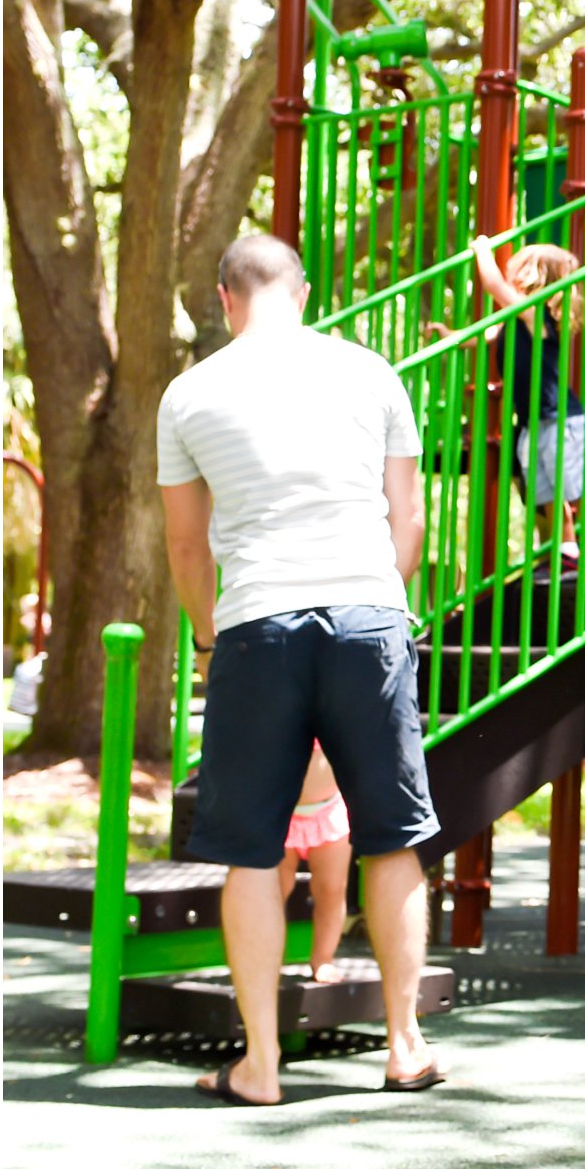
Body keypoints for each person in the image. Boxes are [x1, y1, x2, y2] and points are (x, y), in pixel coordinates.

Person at [156, 233, 441, 1106]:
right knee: (390, 837)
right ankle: (403, 1045)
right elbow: (410, 521)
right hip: (367, 613)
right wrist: (384, 607)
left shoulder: (188, 393)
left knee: (249, 850)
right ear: (305, 291)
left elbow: (184, 542)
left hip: (257, 625)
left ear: (223, 298)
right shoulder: (371, 372)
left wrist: (211, 638)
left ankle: (262, 1066)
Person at [469, 234, 585, 565]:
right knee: (547, 492)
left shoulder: (535, 315)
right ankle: (567, 550)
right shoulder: (516, 322)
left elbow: (493, 286)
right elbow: (483, 337)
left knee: (575, 489)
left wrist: (482, 250)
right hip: (533, 421)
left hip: (560, 419)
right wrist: (451, 337)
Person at [277, 745, 354, 982]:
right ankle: (266, 957)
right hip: (278, 810)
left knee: (331, 889)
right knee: (273, 890)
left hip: (328, 810)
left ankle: (323, 958)